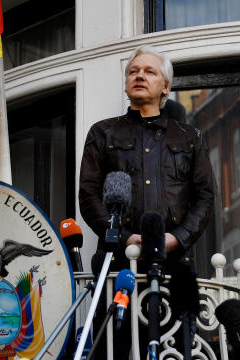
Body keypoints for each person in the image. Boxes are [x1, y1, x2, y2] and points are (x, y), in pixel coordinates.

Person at [78, 45, 215, 359]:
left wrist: (177, 239)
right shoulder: (103, 133)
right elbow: (88, 196)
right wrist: (125, 239)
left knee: (177, 350)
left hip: (175, 267)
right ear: (126, 83)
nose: (139, 76)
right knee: (114, 349)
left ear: (165, 86)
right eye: (133, 71)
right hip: (117, 268)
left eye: (149, 71)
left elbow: (205, 198)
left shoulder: (189, 137)